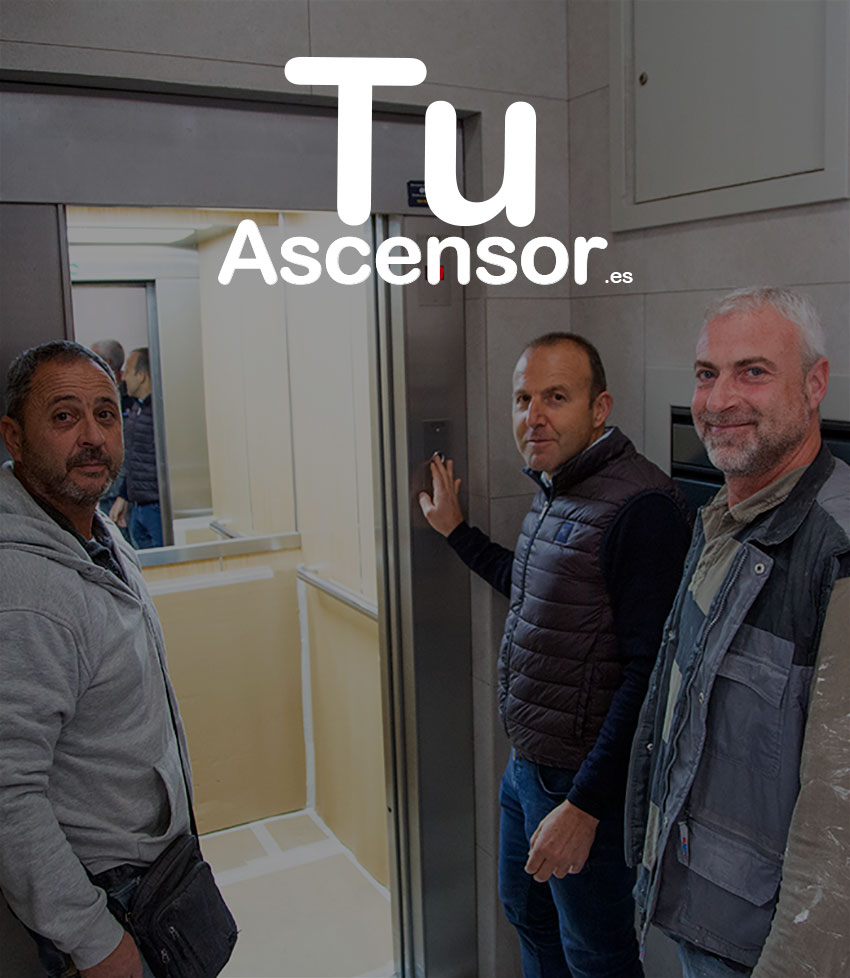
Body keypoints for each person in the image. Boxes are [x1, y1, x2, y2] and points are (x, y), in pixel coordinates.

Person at [419, 333, 693, 978]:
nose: (533, 416)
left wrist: (585, 807)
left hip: (580, 786)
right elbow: (539, 589)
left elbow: (650, 675)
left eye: (556, 397)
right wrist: (458, 533)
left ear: (600, 408)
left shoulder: (641, 507)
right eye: (522, 398)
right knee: (529, 916)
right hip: (530, 768)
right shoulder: (559, 489)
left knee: (596, 953)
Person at [625, 287, 849, 978]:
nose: (718, 400)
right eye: (705, 374)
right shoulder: (722, 517)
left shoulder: (835, 553)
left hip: (765, 952)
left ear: (815, 383)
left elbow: (838, 816)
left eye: (753, 372)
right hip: (698, 911)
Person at [0, 341, 191, 978]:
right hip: (109, 903)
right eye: (63, 417)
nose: (92, 436)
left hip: (155, 874)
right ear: (14, 436)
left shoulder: (92, 530)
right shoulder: (24, 594)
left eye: (105, 415)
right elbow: (8, 796)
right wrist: (96, 942)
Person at [109, 347, 163, 549]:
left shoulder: (159, 413)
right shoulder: (136, 409)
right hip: (138, 508)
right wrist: (124, 496)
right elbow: (135, 459)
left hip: (157, 509)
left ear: (141, 376)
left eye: (127, 371)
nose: (122, 377)